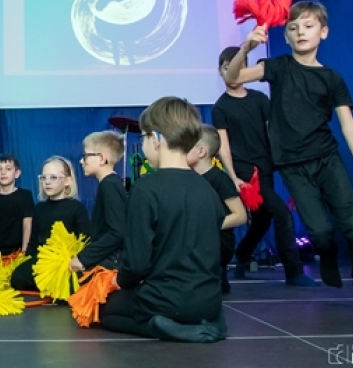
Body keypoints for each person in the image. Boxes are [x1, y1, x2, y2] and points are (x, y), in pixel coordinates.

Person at [223, 0, 353, 314]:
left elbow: (349, 126)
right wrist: (246, 47)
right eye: (293, 28)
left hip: (327, 159)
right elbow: (233, 78)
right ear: (286, 36)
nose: (300, 32)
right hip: (292, 166)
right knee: (320, 233)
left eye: (308, 26)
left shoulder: (332, 78)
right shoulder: (279, 66)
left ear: (323, 32)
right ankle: (327, 254)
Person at [99, 97, 227, 343]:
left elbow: (136, 264)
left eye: (143, 138)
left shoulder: (145, 189)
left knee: (107, 311)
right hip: (209, 301)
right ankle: (211, 324)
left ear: (156, 139)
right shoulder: (208, 189)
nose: (143, 144)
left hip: (166, 301)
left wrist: (119, 280)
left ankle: (161, 327)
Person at [214, 46, 316, 287]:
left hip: (266, 167)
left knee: (262, 220)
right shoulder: (221, 107)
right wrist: (233, 177)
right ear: (221, 71)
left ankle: (242, 255)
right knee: (281, 214)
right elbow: (223, 146)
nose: (232, 71)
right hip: (245, 171)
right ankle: (294, 272)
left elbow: (275, 132)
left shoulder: (259, 99)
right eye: (227, 67)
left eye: (239, 66)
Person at [10, 156, 91, 292]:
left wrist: (79, 261)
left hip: (67, 262)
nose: (47, 182)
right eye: (44, 178)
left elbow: (85, 240)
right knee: (16, 278)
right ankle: (47, 286)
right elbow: (33, 241)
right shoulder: (39, 208)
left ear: (67, 181)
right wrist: (27, 260)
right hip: (42, 261)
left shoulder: (77, 208)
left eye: (53, 177)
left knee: (70, 286)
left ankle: (54, 288)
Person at [188, 125, 248, 293]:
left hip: (218, 243)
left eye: (187, 146)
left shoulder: (220, 179)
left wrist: (208, 225)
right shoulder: (188, 177)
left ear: (201, 152)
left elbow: (240, 215)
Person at [70, 131, 128, 272]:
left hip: (110, 266)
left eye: (85, 156)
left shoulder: (109, 186)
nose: (81, 161)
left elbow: (118, 231)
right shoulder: (110, 184)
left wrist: (84, 258)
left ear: (102, 158)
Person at [0, 154, 35, 259]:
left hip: (18, 254)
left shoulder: (25, 195)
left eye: (8, 169)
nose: (3, 172)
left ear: (17, 173)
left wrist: (24, 252)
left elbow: (27, 226)